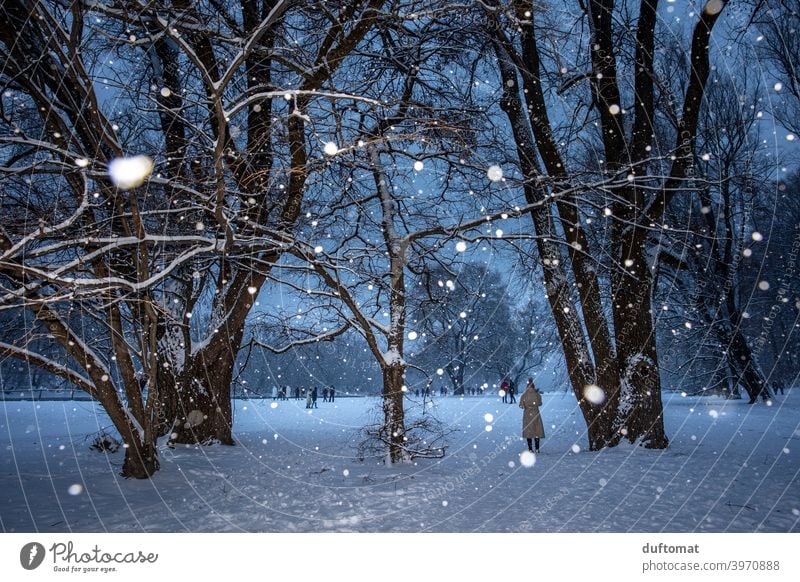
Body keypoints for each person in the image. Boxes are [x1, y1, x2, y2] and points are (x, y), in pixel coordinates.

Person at [519, 377, 544, 453]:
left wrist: (526, 405)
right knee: (537, 430)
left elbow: (521, 405)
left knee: (528, 431)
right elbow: (540, 403)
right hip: (535, 413)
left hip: (527, 413)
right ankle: (537, 448)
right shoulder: (537, 394)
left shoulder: (524, 395)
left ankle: (530, 448)